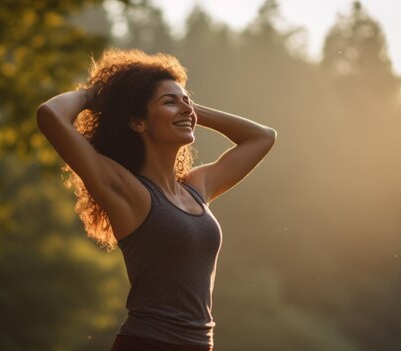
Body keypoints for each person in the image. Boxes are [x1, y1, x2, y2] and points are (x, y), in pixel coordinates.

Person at [36, 49, 276, 351]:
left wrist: (187, 109)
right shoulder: (126, 189)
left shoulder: (196, 187)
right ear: (138, 122)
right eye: (169, 102)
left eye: (186, 100)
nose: (185, 109)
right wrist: (94, 94)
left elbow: (263, 137)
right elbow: (49, 115)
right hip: (148, 343)